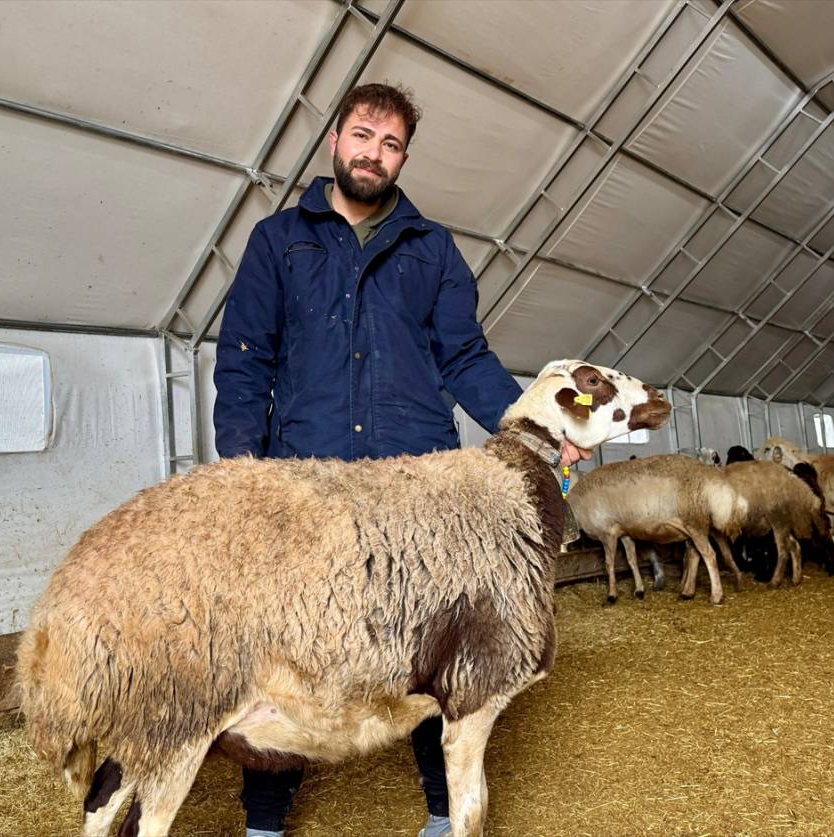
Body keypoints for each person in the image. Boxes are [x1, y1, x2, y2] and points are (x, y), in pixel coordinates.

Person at [214, 82, 589, 837]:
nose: (372, 154)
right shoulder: (279, 241)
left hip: (418, 492)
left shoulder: (433, 249)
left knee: (433, 641)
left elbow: (465, 355)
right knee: (285, 650)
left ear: (403, 158)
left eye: (389, 145)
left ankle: (446, 808)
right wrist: (241, 475)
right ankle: (264, 816)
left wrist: (541, 426)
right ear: (335, 142)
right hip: (306, 486)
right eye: (362, 136)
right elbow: (246, 359)